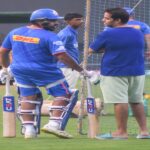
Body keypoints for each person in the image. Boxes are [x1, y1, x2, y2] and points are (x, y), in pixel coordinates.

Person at [0, 8, 88, 139]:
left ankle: (29, 129)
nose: (56, 24)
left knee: (28, 97)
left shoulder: (15, 32)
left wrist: (5, 68)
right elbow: (62, 56)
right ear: (41, 21)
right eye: (53, 21)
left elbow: (3, 51)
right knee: (64, 93)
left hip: (20, 70)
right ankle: (53, 124)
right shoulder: (50, 36)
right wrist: (81, 70)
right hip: (45, 70)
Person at [88, 7, 150, 139]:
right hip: (137, 71)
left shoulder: (107, 34)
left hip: (115, 71)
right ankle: (144, 131)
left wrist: (106, 48)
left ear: (117, 20)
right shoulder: (137, 32)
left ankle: (121, 132)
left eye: (106, 18)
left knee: (119, 101)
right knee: (136, 101)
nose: (103, 20)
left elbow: (91, 49)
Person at [57, 13, 83, 89]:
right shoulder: (65, 34)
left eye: (81, 19)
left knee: (67, 92)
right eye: (77, 19)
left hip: (70, 67)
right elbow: (57, 52)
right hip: (67, 68)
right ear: (68, 21)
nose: (81, 21)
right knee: (66, 93)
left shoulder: (73, 32)